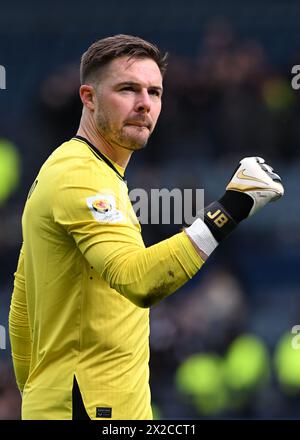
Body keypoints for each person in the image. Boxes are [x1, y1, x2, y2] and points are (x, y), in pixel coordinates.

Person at [9, 34, 284, 420]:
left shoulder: (79, 170)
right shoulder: (81, 176)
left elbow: (22, 309)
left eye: (154, 92)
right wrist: (233, 207)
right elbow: (136, 280)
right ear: (88, 97)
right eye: (127, 89)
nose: (144, 104)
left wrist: (38, 394)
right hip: (91, 407)